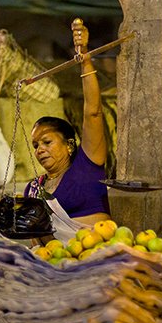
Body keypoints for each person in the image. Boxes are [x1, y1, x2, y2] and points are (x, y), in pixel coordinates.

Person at [24, 19, 110, 240]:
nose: (39, 150)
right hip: (53, 264)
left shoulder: (87, 165)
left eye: (47, 142)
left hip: (95, 257)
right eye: (35, 145)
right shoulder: (33, 189)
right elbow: (36, 239)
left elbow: (93, 113)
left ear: (70, 145)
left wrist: (86, 61)